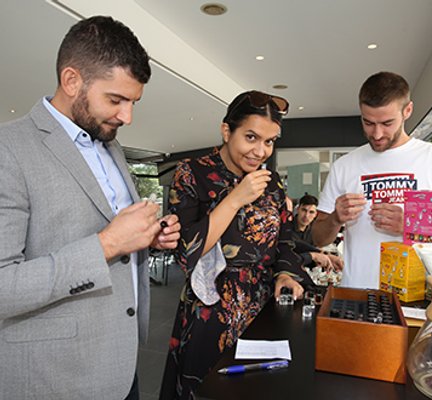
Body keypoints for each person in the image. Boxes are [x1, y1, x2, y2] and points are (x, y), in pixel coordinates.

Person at [0, 16, 180, 399]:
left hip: (123, 361)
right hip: (57, 376)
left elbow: (106, 230)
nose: (127, 116)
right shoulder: (8, 149)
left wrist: (148, 237)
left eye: (133, 102)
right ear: (71, 81)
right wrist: (108, 245)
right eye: (115, 99)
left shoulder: (110, 144)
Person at [159, 90, 305, 399]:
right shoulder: (192, 172)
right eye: (251, 137)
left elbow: (286, 239)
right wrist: (235, 199)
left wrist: (285, 274)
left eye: (269, 141)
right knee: (206, 389)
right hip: (211, 311)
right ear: (227, 131)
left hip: (262, 307)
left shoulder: (272, 183)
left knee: (256, 389)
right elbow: (185, 252)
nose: (260, 151)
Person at [312, 71, 432, 289]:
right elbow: (319, 239)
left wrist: (411, 226)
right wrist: (335, 219)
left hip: (417, 301)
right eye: (368, 123)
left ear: (408, 111)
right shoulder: (344, 166)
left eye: (387, 123)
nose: (376, 134)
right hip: (356, 294)